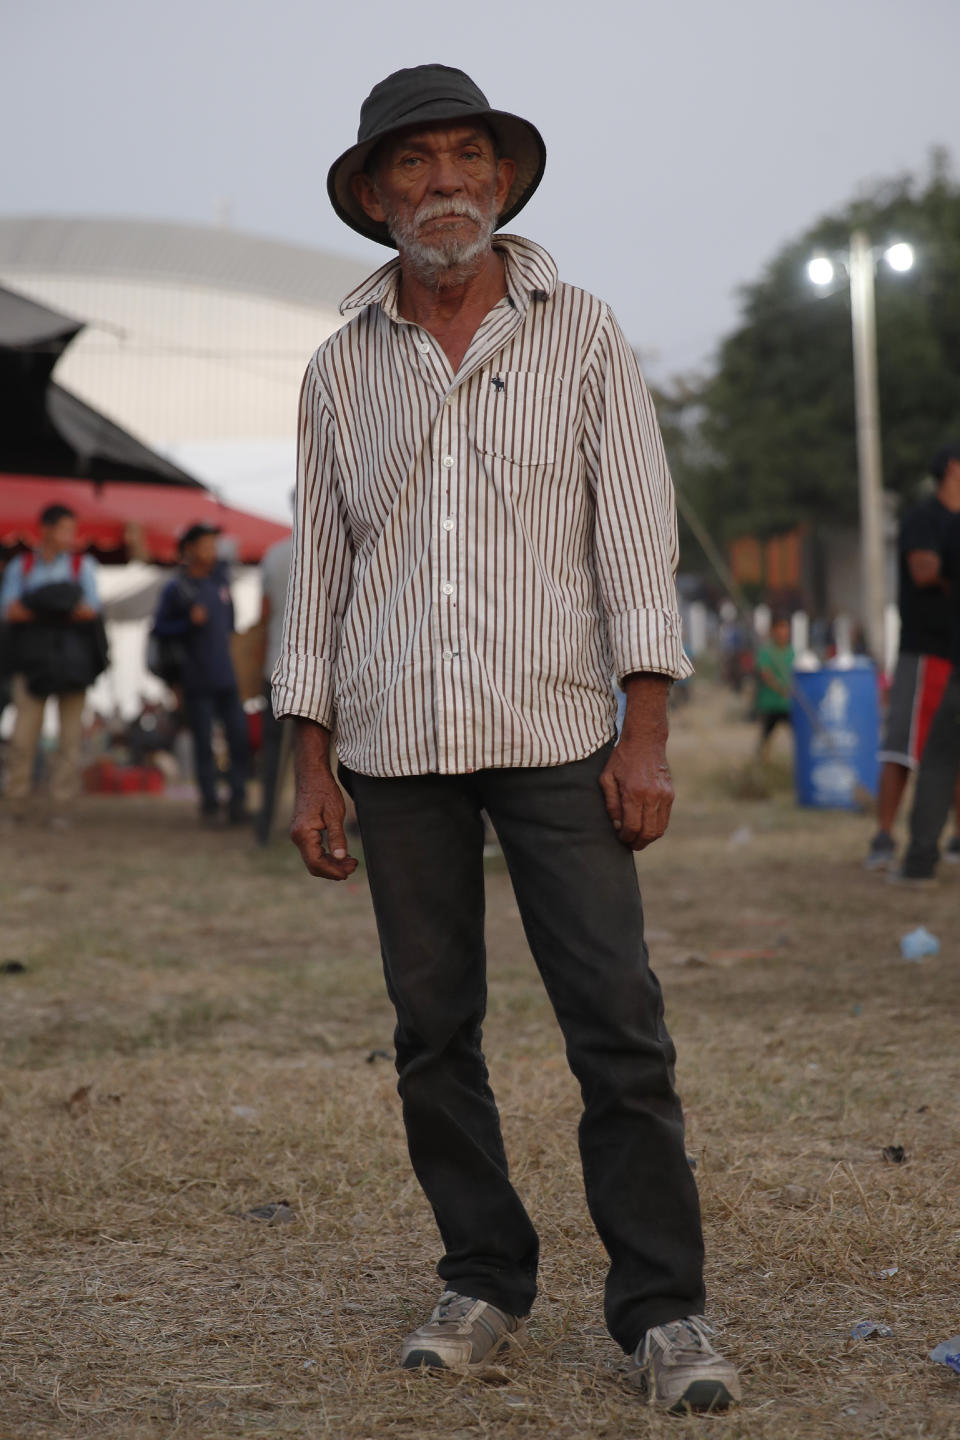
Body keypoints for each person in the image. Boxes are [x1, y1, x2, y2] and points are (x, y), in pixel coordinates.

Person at [273, 65, 739, 1413]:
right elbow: (326, 565)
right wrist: (310, 757)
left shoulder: (580, 332)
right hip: (393, 738)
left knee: (620, 1026)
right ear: (375, 195)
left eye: (468, 158)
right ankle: (482, 1277)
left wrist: (643, 732)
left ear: (503, 181)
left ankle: (664, 1310)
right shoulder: (338, 363)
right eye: (413, 166)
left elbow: (636, 538)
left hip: (552, 729)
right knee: (433, 1030)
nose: (444, 186)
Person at [865, 446, 960, 870]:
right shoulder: (925, 518)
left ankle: (955, 839)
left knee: (951, 750)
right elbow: (924, 571)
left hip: (954, 654)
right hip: (924, 650)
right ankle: (884, 836)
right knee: (904, 747)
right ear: (953, 470)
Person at [0, 503, 104, 825]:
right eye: (64, 529)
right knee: (23, 738)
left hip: (72, 664)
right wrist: (60, 606)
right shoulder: (23, 566)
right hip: (32, 664)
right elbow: (9, 611)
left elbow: (91, 610)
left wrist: (37, 606)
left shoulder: (80, 565)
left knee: (70, 740)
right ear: (45, 529)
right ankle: (16, 805)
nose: (70, 536)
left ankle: (61, 808)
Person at [152, 522, 248, 824]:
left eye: (213, 545)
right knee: (203, 744)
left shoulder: (221, 582)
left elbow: (231, 627)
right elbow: (158, 629)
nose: (212, 551)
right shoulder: (176, 588)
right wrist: (187, 622)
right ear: (189, 549)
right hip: (196, 679)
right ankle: (209, 804)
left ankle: (238, 802)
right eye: (205, 545)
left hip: (227, 677)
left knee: (239, 738)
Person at [894, 504, 960, 883]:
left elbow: (938, 576)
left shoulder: (951, 528)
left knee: (936, 762)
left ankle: (919, 863)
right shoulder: (930, 519)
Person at [254, 527, 293, 845]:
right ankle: (329, 830)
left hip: (277, 666)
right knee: (333, 757)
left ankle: (265, 826)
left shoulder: (274, 554)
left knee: (275, 755)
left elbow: (264, 615)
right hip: (330, 668)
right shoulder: (340, 547)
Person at [753, 614, 794, 757]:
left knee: (798, 736)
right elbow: (765, 673)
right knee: (765, 738)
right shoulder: (766, 651)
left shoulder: (792, 652)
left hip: (787, 704)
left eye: (786, 628)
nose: (783, 632)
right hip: (771, 703)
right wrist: (780, 689)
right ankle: (760, 764)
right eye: (780, 628)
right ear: (774, 631)